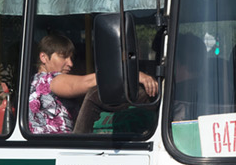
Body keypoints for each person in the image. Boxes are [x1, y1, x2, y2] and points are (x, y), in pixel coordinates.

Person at [28, 31, 159, 134]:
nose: (70, 64)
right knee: (94, 94)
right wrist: (132, 75)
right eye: (63, 56)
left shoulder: (33, 82)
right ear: (43, 57)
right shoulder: (50, 80)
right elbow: (86, 82)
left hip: (51, 147)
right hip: (58, 148)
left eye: (71, 58)